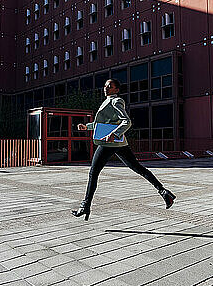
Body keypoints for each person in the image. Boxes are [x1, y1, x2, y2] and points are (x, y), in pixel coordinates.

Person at [72, 78, 176, 220]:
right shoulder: (107, 101)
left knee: (93, 173)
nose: (106, 88)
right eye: (105, 86)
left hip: (109, 143)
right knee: (138, 168)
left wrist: (114, 134)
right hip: (119, 143)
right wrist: (87, 127)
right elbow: (102, 123)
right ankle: (164, 192)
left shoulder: (116, 101)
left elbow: (127, 121)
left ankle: (85, 206)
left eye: (109, 86)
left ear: (116, 90)